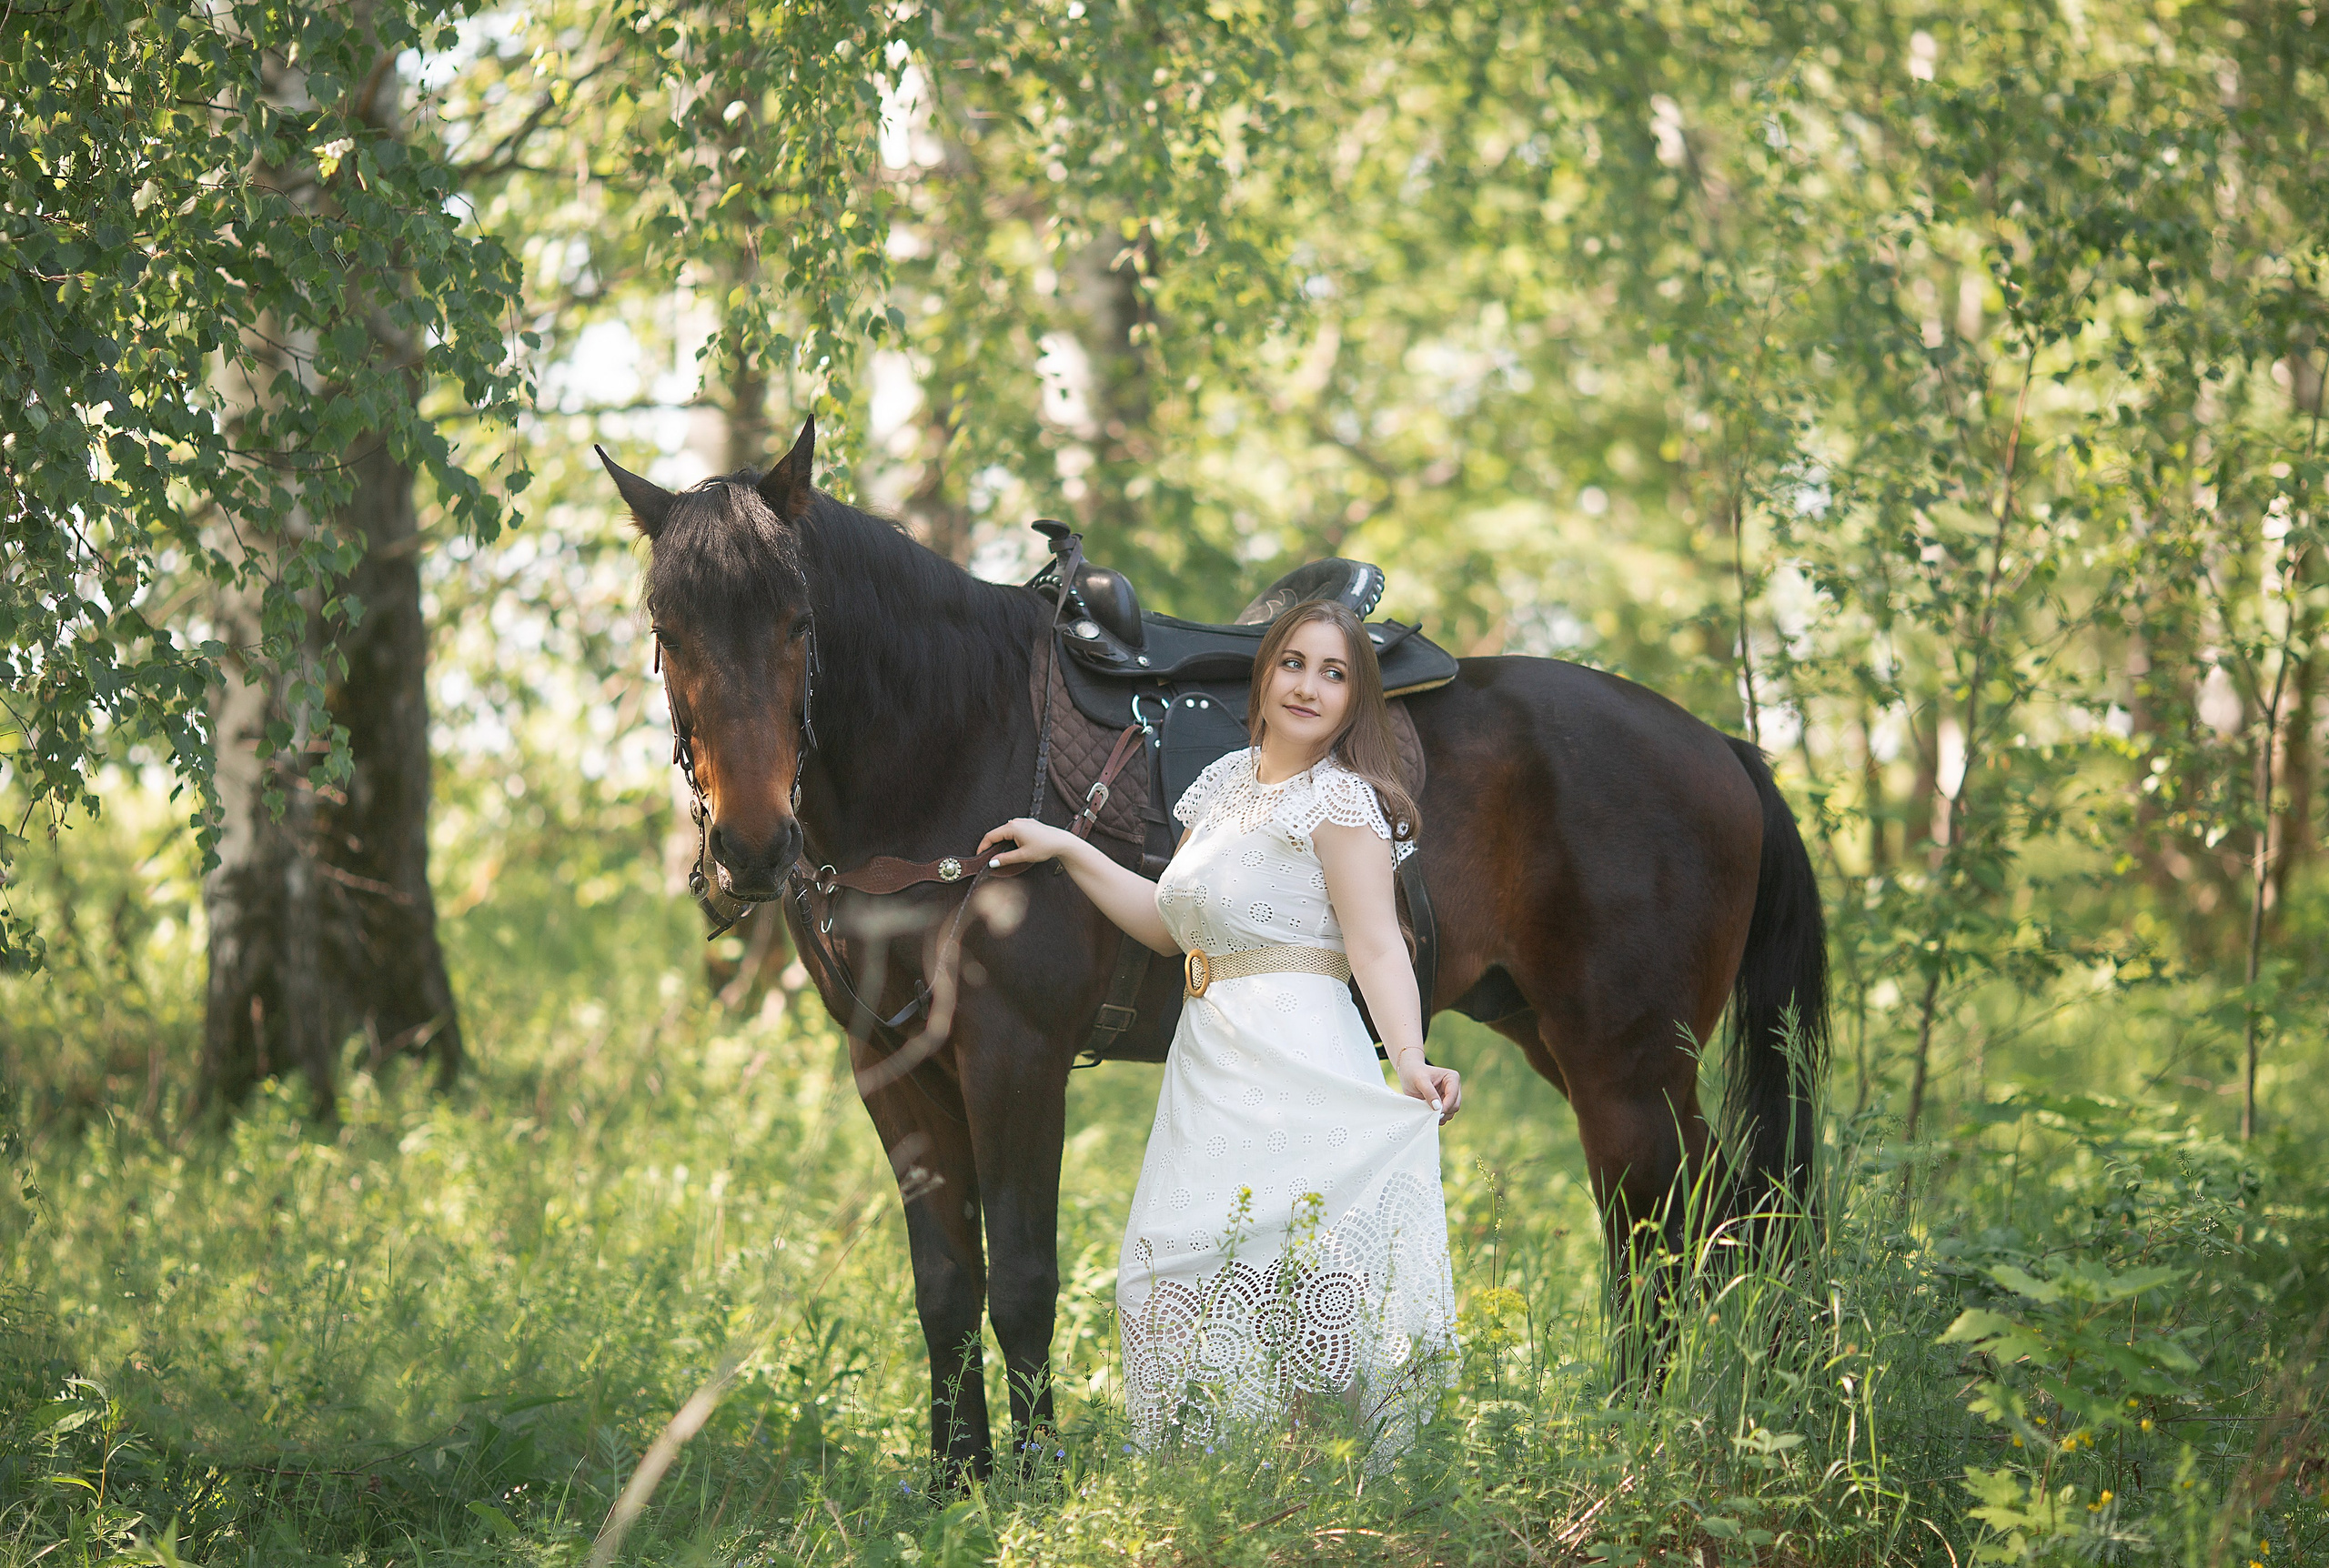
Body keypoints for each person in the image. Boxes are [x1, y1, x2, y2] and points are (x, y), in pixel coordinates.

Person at [977, 599, 1460, 1459]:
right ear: (1265, 672)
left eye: (1335, 673)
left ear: (1356, 701)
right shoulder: (1222, 786)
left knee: (1302, 1279)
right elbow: (1172, 928)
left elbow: (1377, 943)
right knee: (1161, 1276)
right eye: (1295, 664)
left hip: (1300, 1056)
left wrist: (1412, 1061)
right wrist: (1069, 847)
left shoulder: (1341, 801)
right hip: (1209, 1059)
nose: (1309, 686)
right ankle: (1212, 1474)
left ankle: (1316, 1489)